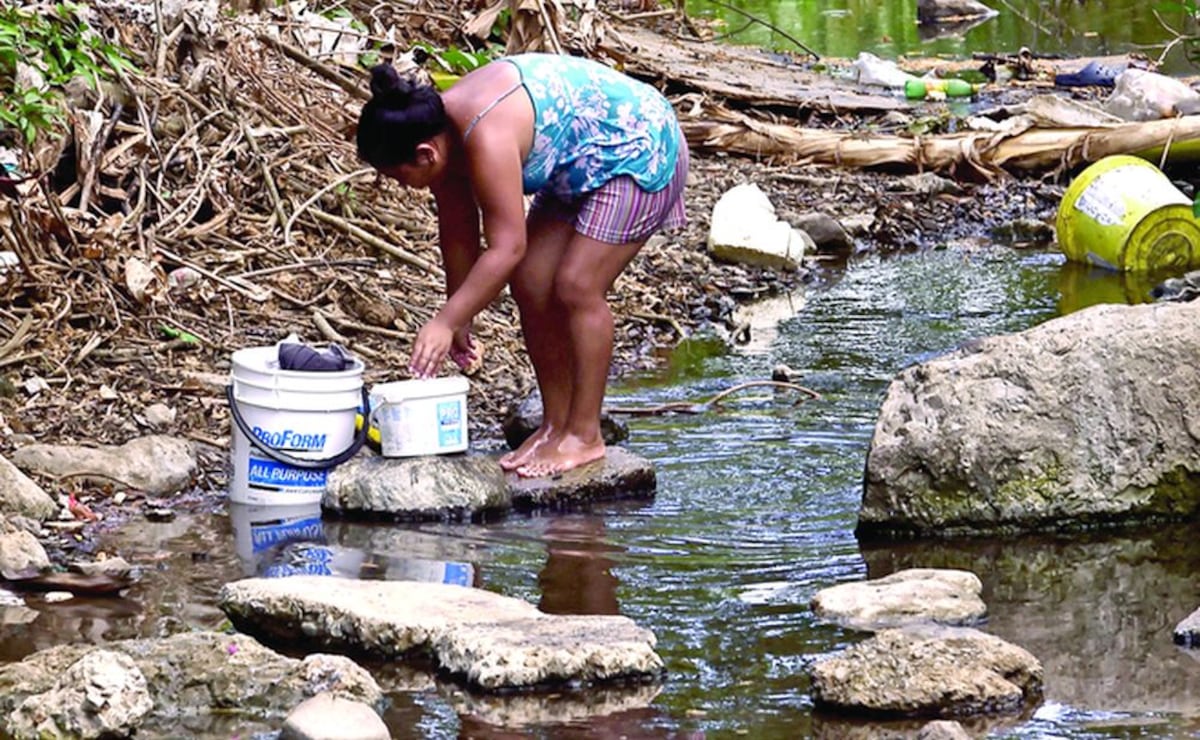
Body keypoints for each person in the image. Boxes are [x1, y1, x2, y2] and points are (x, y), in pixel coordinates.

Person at [356, 52, 689, 478]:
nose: (400, 188)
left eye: (399, 177)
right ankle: (555, 426)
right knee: (531, 282)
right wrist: (461, 316)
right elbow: (459, 235)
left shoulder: (485, 135)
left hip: (639, 145)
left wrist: (443, 321)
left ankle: (584, 435)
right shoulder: (439, 139)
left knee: (576, 285)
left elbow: (506, 248)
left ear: (424, 155)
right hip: (576, 166)